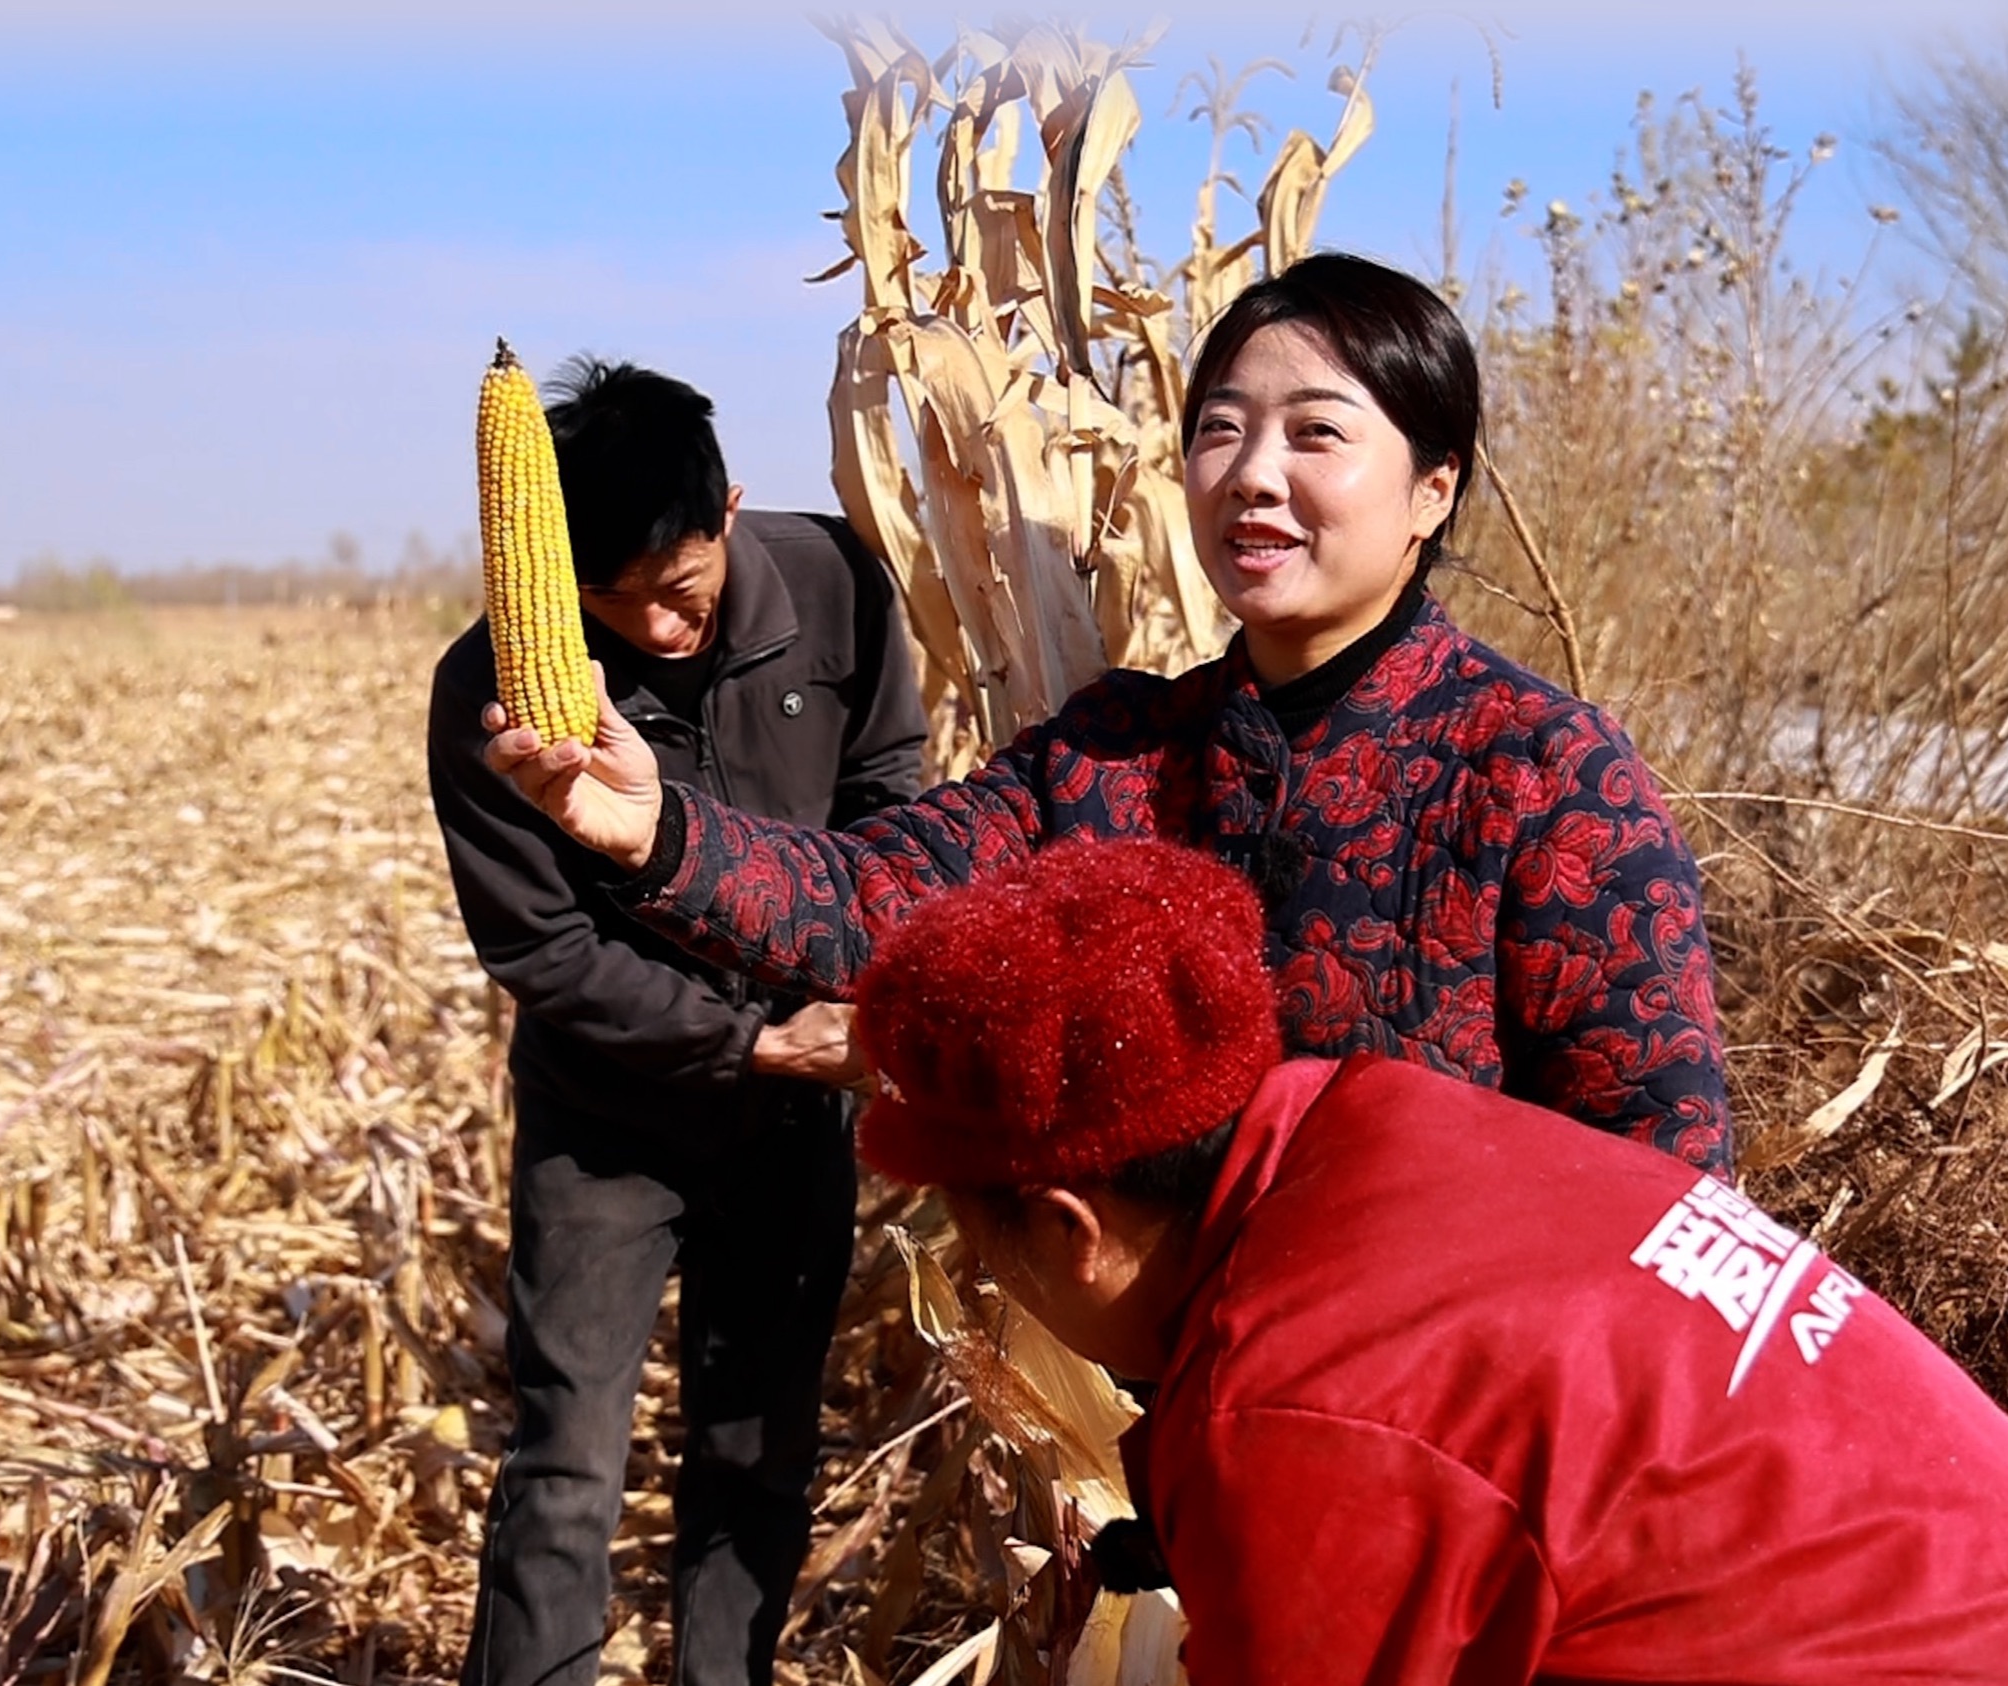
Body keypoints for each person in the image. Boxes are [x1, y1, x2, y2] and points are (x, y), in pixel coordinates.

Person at [844, 835, 2008, 1686]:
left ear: (1069, 1227)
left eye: (985, 1248)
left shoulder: (1301, 1408)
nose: (998, 1289)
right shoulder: (1392, 1129)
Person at [489, 253, 1733, 1176]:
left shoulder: (1540, 773)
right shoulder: (1120, 755)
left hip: (1442, 1433)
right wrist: (658, 836)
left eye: (1315, 436)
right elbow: (880, 903)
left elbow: (1659, 1173)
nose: (1252, 475)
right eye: (1220, 432)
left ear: (1430, 489)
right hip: (1180, 1411)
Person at [427, 357, 926, 1686]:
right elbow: (544, 946)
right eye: (612, 599)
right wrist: (755, 1041)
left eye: (679, 587)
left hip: (794, 1116)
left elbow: (895, 802)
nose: (652, 624)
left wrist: (850, 1009)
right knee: (565, 1462)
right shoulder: (487, 686)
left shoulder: (836, 586)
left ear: (733, 509)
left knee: (756, 1451)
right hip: (608, 1122)